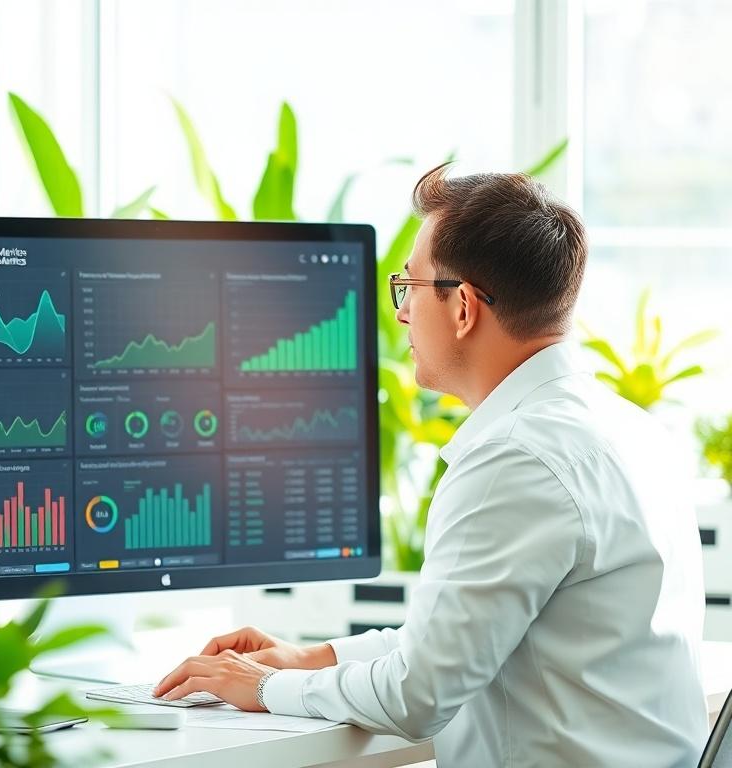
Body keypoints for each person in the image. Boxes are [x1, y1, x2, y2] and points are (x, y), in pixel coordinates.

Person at [153, 164, 709, 767]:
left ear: (463, 307)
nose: (399, 315)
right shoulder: (628, 428)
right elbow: (461, 638)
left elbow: (418, 695)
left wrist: (261, 689)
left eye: (408, 288)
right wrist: (310, 659)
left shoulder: (514, 457)